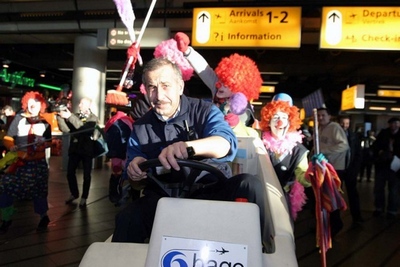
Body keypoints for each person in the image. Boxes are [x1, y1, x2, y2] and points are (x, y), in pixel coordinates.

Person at [111, 58, 269, 249]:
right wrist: (135, 169)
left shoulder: (204, 110)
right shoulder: (139, 127)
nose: (159, 95)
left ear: (180, 86)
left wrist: (189, 147)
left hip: (210, 195)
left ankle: (261, 249)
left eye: (165, 86)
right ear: (145, 89)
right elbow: (135, 184)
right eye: (152, 87)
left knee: (249, 184)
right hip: (164, 202)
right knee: (127, 217)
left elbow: (225, 144)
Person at [174, 32, 262, 131]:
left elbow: (245, 127)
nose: (219, 85)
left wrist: (235, 123)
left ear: (238, 88)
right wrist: (187, 51)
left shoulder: (243, 106)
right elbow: (204, 69)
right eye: (221, 80)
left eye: (226, 84)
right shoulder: (216, 89)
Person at [0, 91, 52, 233]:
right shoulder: (18, 119)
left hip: (38, 164)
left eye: (36, 102)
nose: (32, 105)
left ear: (41, 105)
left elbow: (49, 142)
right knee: (6, 187)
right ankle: (6, 218)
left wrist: (44, 144)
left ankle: (43, 217)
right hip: (20, 163)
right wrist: (11, 145)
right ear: (26, 105)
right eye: (30, 103)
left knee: (39, 191)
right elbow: (8, 138)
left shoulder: (46, 123)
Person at [259, 95, 310, 221]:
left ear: (290, 122)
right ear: (268, 121)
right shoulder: (258, 141)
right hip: (260, 195)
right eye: (275, 117)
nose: (279, 121)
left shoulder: (299, 150)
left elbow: (304, 179)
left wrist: (314, 173)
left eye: (284, 117)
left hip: (282, 197)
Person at [56, 97, 99, 208]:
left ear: (89, 105)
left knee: (87, 175)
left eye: (82, 103)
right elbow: (66, 130)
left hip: (87, 150)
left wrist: (70, 117)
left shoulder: (93, 118)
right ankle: (74, 193)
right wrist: (60, 117)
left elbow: (84, 129)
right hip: (75, 149)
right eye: (80, 103)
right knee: (70, 172)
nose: (79, 105)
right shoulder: (74, 116)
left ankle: (84, 197)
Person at [316, 107, 349, 236]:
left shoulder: (334, 127)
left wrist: (325, 151)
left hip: (335, 168)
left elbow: (344, 145)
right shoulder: (320, 128)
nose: (320, 118)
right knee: (323, 198)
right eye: (318, 115)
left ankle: (336, 225)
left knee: (332, 198)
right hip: (324, 167)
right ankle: (325, 226)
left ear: (329, 116)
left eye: (323, 115)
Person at [372, 117, 400, 219]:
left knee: (394, 189)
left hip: (396, 166)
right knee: (379, 188)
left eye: (396, 123)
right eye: (392, 123)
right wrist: (380, 152)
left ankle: (392, 210)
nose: (394, 125)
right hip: (382, 164)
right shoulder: (384, 134)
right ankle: (379, 208)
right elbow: (375, 146)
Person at [104, 110, 134, 205]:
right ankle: (124, 195)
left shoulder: (112, 121)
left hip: (114, 152)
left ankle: (114, 195)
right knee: (127, 173)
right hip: (125, 151)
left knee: (116, 172)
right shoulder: (127, 120)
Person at [339, 116, 363, 224]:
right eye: (343, 123)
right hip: (338, 169)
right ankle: (335, 219)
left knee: (353, 194)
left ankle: (357, 217)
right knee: (335, 194)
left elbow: (358, 153)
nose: (345, 126)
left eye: (347, 123)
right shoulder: (334, 135)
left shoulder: (354, 136)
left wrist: (355, 169)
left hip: (350, 169)